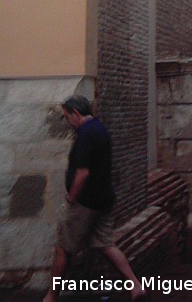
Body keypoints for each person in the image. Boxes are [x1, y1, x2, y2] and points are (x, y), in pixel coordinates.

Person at [43, 95, 148, 302]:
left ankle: (51, 296)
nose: (67, 122)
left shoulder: (85, 133)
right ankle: (136, 286)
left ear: (75, 113)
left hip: (85, 202)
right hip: (104, 198)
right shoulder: (100, 128)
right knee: (105, 244)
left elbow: (82, 173)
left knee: (63, 248)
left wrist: (71, 198)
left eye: (66, 117)